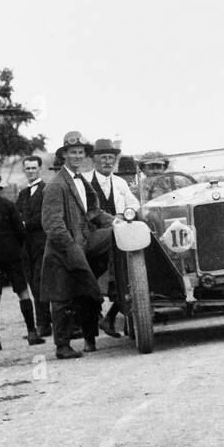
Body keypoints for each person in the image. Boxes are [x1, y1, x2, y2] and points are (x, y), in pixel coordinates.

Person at [42, 131, 116, 358]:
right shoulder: (56, 185)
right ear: (64, 155)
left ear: (85, 155)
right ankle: (62, 346)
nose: (76, 156)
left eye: (80, 153)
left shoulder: (80, 180)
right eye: (72, 152)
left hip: (85, 241)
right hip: (63, 250)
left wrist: (116, 222)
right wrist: (72, 247)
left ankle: (114, 290)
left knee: (118, 236)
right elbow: (52, 224)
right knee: (63, 297)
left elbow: (92, 211)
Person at [87, 140, 142, 338]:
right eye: (103, 157)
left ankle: (111, 317)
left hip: (118, 239)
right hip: (93, 237)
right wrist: (112, 221)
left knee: (131, 271)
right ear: (94, 159)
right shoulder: (85, 181)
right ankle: (95, 324)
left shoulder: (120, 183)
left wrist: (125, 213)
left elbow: (134, 204)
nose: (108, 162)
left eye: (111, 158)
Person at [0, 173, 43, 346]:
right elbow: (21, 231)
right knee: (23, 292)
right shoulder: (8, 205)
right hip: (12, 255)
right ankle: (31, 332)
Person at [16, 155, 53, 339]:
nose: (30, 171)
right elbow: (16, 217)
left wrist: (24, 224)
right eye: (27, 168)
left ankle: (44, 325)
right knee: (32, 283)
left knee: (41, 283)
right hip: (27, 247)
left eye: (33, 168)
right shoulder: (22, 194)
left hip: (43, 244)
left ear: (40, 169)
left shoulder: (46, 190)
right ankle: (43, 324)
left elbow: (43, 217)